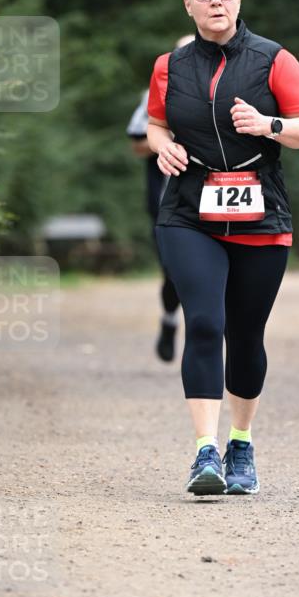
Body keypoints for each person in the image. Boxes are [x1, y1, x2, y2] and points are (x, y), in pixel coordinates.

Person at [146, 0, 299, 495]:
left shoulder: (275, 59)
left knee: (246, 335)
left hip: (259, 209)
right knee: (204, 322)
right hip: (189, 210)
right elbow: (154, 124)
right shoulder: (169, 66)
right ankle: (204, 453)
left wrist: (269, 124)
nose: (216, 1)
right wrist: (163, 146)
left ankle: (240, 444)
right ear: (188, 3)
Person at [127, 35, 194, 362]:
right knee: (174, 271)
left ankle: (207, 334)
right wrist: (166, 143)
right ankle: (170, 320)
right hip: (168, 198)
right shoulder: (155, 92)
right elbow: (138, 144)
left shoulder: (229, 87)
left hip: (217, 199)